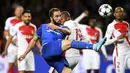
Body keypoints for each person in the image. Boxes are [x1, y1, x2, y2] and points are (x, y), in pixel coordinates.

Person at [18, 8, 106, 73]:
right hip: (47, 49)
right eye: (56, 16)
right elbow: (33, 40)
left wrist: (57, 27)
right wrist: (24, 54)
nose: (59, 18)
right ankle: (94, 46)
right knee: (69, 42)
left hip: (56, 57)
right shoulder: (43, 26)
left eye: (60, 16)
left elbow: (68, 32)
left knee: (67, 71)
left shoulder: (63, 27)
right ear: (51, 18)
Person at [104, 7, 130, 73]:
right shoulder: (111, 26)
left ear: (123, 14)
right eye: (117, 12)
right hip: (119, 54)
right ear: (114, 14)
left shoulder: (127, 24)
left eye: (120, 12)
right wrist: (116, 38)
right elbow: (105, 42)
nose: (119, 13)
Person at [2, 5, 24, 73]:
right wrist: (9, 39)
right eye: (18, 10)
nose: (19, 12)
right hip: (11, 45)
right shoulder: (9, 20)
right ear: (15, 12)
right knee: (11, 64)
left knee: (19, 65)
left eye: (21, 11)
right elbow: (5, 31)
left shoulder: (24, 21)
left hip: (21, 46)